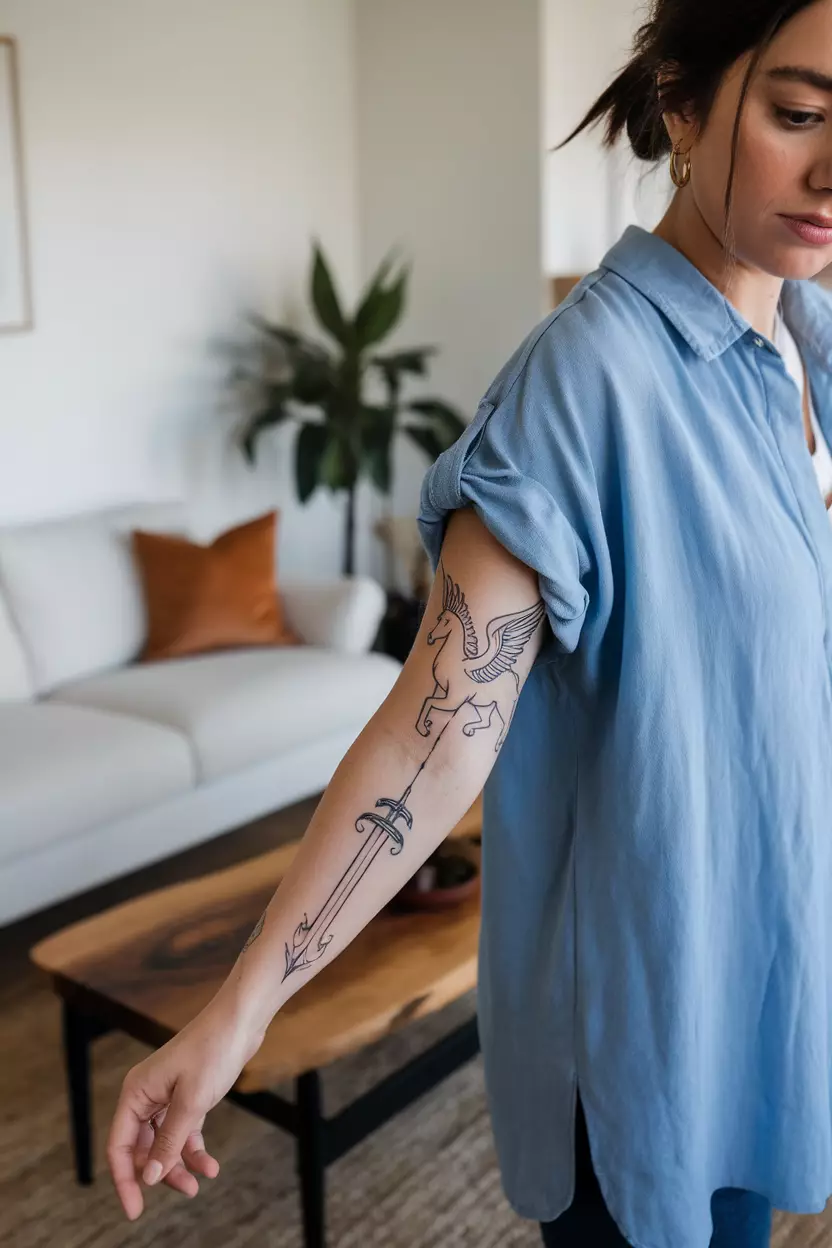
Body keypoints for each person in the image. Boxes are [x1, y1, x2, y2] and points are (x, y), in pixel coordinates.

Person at [107, 1, 832, 1244]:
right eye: (799, 113)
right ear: (680, 100)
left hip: (767, 983)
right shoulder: (583, 386)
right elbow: (430, 740)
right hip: (642, 1035)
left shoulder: (803, 337)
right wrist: (240, 1010)